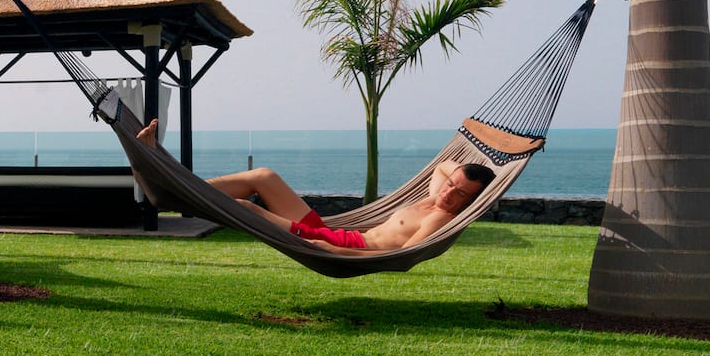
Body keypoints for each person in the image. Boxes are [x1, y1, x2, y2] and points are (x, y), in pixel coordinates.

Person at [134, 119, 494, 253]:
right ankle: (174, 182)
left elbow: (400, 255)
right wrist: (460, 173)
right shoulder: (436, 197)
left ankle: (167, 182)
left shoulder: (438, 220)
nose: (449, 192)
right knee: (264, 177)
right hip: (328, 230)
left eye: (460, 194)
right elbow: (444, 167)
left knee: (243, 208)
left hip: (331, 242)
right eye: (451, 184)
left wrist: (326, 249)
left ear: (470, 204)